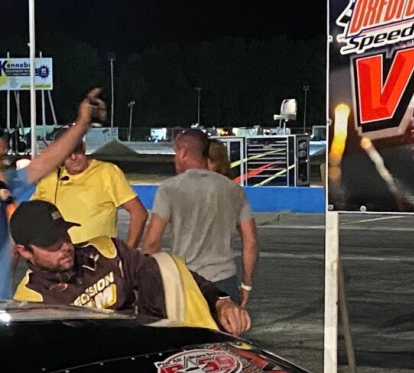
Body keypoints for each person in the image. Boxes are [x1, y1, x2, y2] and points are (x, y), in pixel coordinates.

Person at [10, 199, 250, 336]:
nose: (65, 246)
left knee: (165, 262)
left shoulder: (105, 250)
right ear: (24, 251)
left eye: (65, 234)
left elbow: (171, 274)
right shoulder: (30, 302)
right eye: (52, 242)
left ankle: (205, 345)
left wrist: (221, 301)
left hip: (146, 351)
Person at [0, 90, 106, 300]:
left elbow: (45, 161)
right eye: (0, 157)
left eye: (5, 156)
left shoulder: (8, 185)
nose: (5, 163)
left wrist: (82, 123)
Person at [142, 128, 258, 307]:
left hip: (185, 281)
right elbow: (250, 241)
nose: (174, 158)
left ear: (183, 153)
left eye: (175, 152)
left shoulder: (169, 189)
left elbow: (151, 242)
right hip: (225, 282)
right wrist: (246, 284)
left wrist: (150, 282)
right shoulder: (234, 189)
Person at [30, 126, 148, 248]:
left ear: (84, 147)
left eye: (77, 150)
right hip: (62, 258)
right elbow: (31, 216)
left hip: (100, 260)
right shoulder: (50, 179)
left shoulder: (107, 172)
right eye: (67, 153)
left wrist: (127, 255)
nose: (73, 157)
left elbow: (139, 213)